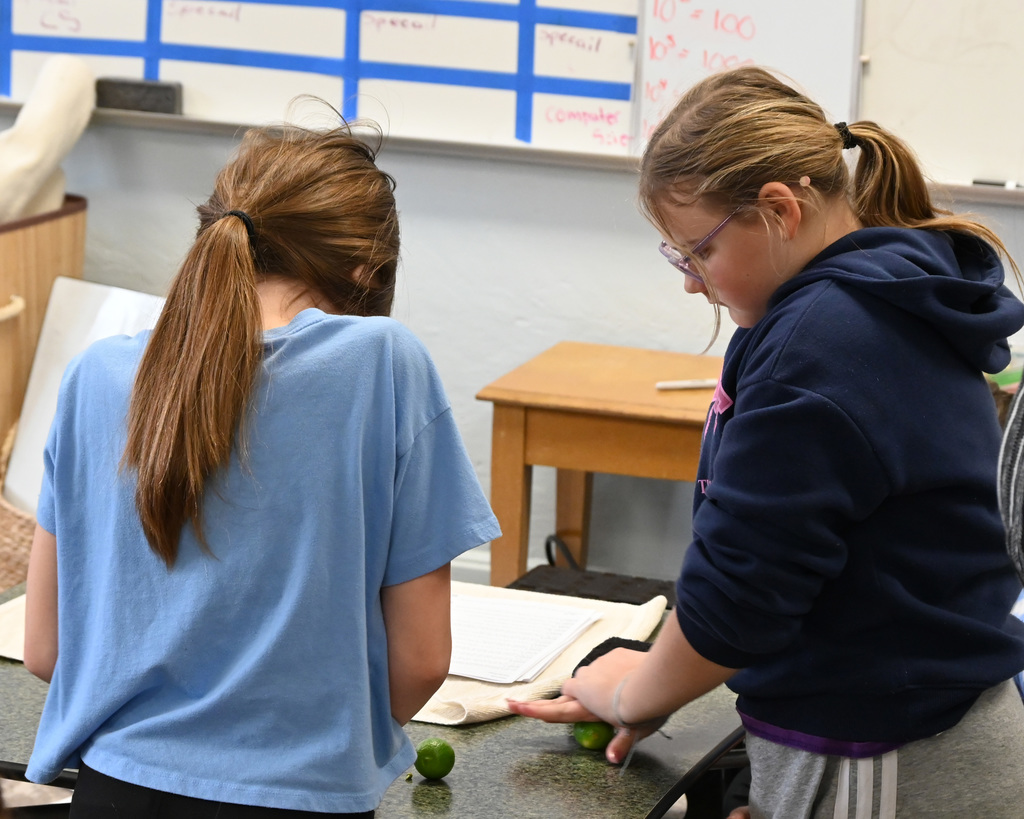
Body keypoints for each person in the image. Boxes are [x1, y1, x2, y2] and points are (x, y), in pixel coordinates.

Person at [509, 65, 1024, 817]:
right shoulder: (869, 296)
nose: (692, 281)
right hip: (900, 733)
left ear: (781, 209)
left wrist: (632, 689)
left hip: (889, 750)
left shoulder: (824, 343)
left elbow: (742, 595)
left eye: (699, 252)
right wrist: (662, 684)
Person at [22, 117, 500, 817]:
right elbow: (423, 659)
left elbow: (45, 649)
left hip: (113, 792)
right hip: (302, 797)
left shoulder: (94, 374)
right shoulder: (383, 362)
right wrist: (324, 749)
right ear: (366, 271)